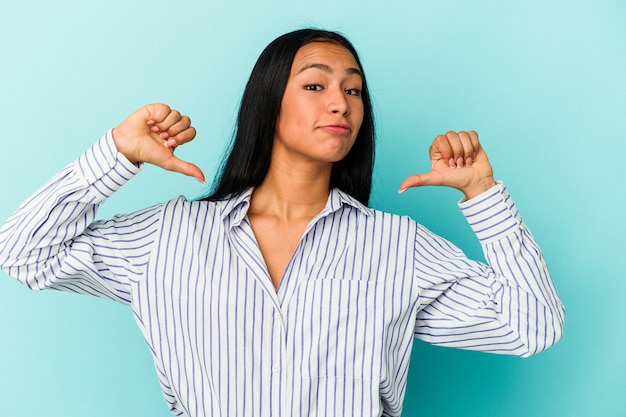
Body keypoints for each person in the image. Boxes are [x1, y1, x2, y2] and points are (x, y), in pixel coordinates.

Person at [0, 28, 564, 417]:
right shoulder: (168, 237)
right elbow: (23, 252)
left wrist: (482, 195)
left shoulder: (397, 247)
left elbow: (532, 327)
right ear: (268, 101)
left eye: (353, 89)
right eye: (316, 85)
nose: (340, 103)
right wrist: (119, 154)